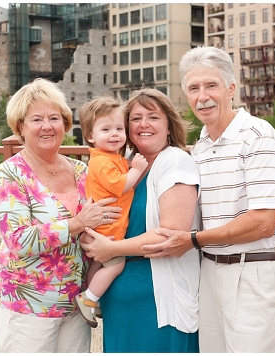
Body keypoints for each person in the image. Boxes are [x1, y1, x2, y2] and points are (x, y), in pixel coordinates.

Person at [140, 46, 275, 352]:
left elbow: (264, 222)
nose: (203, 96)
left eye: (211, 85)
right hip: (210, 272)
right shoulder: (199, 147)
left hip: (255, 272)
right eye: (193, 88)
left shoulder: (258, 136)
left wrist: (194, 239)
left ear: (231, 89)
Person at [0, 78, 121, 353]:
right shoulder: (10, 174)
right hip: (28, 306)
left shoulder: (82, 170)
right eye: (37, 119)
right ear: (20, 127)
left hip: (77, 306)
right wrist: (79, 223)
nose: (47, 126)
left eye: (54, 118)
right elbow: (19, 240)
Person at [80, 88, 201, 352]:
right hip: (120, 303)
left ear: (169, 125)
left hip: (157, 301)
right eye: (135, 118)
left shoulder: (176, 162)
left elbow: (171, 234)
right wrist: (87, 231)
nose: (143, 124)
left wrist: (111, 249)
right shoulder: (124, 164)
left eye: (153, 117)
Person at [74, 96, 149, 328]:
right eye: (106, 129)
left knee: (97, 264)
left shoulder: (110, 157)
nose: (114, 134)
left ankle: (91, 295)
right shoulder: (102, 162)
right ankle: (89, 299)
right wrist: (137, 169)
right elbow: (121, 185)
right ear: (90, 136)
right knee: (116, 265)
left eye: (119, 128)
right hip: (109, 230)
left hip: (103, 227)